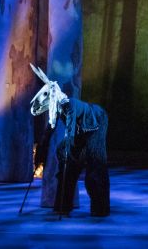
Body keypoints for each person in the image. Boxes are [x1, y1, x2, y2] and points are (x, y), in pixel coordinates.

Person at [29, 64, 110, 217]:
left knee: (95, 166)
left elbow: (70, 128)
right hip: (80, 132)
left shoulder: (69, 104)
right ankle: (63, 205)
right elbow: (49, 131)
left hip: (95, 125)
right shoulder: (56, 110)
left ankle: (100, 208)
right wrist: (41, 152)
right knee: (66, 165)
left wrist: (68, 145)